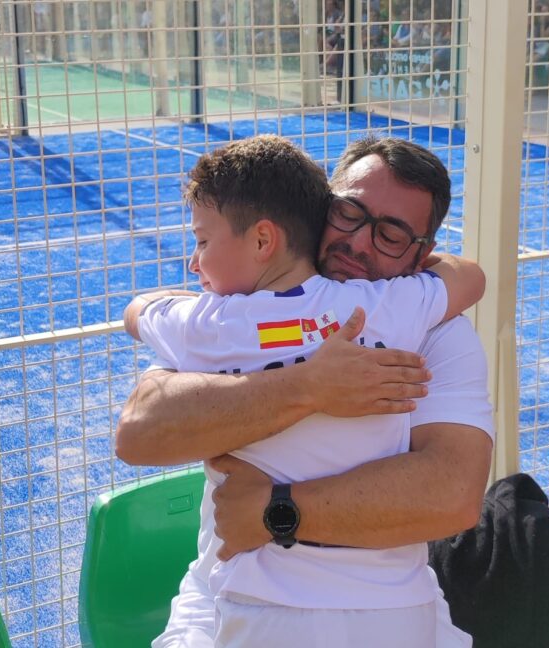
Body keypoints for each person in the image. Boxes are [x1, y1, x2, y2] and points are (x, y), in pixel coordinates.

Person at [117, 135, 495, 647]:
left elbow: (452, 495)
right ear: (322, 204)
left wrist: (273, 513)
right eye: (350, 213)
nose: (359, 243)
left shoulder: (223, 320)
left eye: (390, 235)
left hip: (347, 604)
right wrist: (308, 386)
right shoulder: (246, 303)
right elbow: (139, 435)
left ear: (421, 254)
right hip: (223, 596)